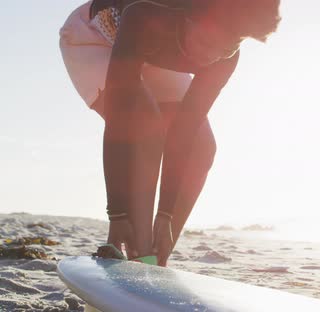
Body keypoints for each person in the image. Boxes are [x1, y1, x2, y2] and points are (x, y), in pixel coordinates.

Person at [59, 0, 281, 266]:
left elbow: (184, 131)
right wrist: (117, 213)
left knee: (201, 147)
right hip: (97, 38)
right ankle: (140, 254)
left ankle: (158, 257)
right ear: (189, 15)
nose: (208, 57)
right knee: (144, 122)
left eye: (225, 48)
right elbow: (121, 122)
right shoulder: (143, 17)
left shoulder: (225, 56)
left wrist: (164, 213)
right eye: (206, 42)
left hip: (158, 51)